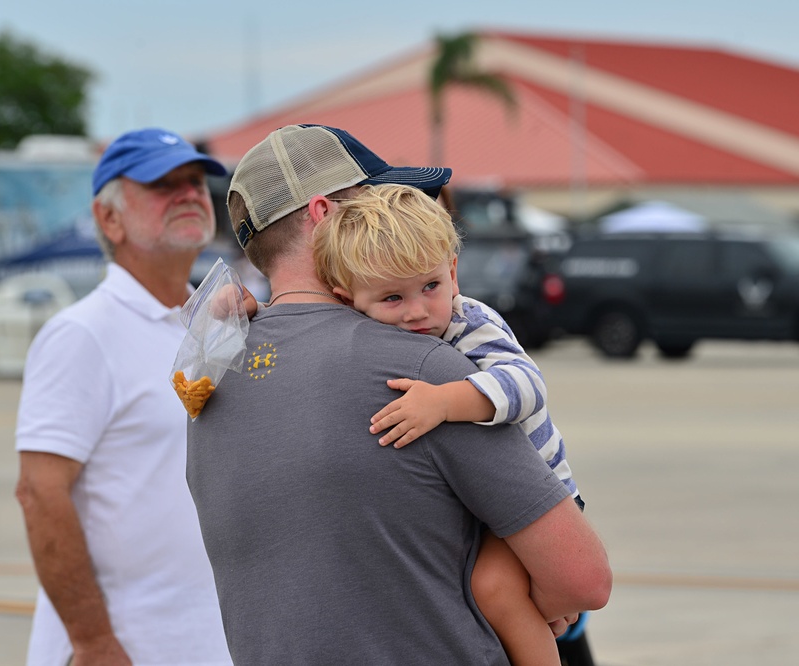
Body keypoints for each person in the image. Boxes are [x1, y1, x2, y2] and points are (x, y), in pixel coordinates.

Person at [185, 124, 612, 665]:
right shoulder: (424, 365)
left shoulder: (211, 378)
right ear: (326, 215)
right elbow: (583, 580)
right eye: (377, 200)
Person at [14, 128, 233, 666]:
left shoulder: (215, 324)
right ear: (108, 217)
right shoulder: (83, 333)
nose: (188, 193)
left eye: (193, 181)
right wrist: (92, 642)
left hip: (210, 642)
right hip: (126, 649)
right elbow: (40, 493)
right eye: (163, 184)